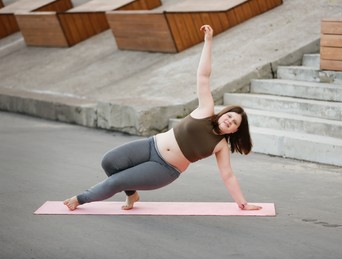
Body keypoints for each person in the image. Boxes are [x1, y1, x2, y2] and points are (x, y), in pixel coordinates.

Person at [64, 25, 261, 211]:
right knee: (109, 162)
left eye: (234, 122)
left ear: (234, 131)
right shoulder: (206, 109)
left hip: (164, 169)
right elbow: (203, 76)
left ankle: (79, 199)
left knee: (117, 181)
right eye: (229, 116)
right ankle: (132, 195)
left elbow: (227, 175)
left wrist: (243, 204)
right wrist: (208, 41)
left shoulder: (220, 146)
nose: (229, 120)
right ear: (222, 113)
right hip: (150, 145)